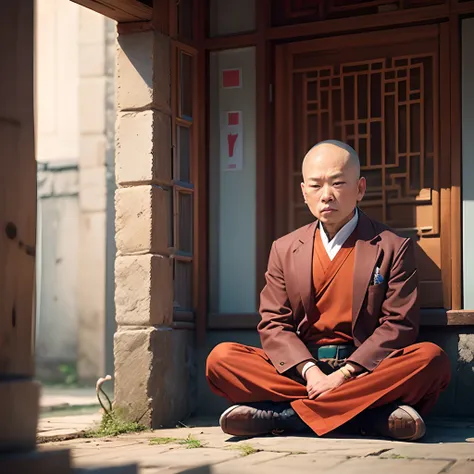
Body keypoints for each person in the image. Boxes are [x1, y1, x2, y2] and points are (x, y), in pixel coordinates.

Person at [206, 140, 451, 441]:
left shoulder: (391, 246)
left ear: (360, 188)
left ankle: (287, 418)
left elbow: (399, 325)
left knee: (431, 360)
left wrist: (343, 375)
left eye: (337, 183)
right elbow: (273, 324)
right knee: (221, 359)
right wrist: (312, 373)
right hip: (302, 370)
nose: (326, 196)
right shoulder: (284, 249)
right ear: (303, 192)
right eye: (316, 185)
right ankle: (369, 417)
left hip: (364, 369)